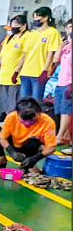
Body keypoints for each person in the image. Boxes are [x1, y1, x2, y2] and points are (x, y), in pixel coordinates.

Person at [0, 97, 56, 172]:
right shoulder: (11, 117)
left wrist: (35, 158)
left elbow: (51, 147)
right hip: (14, 143)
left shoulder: (47, 122)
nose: (28, 122)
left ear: (38, 113)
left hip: (31, 147)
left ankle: (31, 165)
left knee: (33, 142)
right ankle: (1, 158)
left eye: (32, 119)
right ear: (17, 114)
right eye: (24, 119)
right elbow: (2, 138)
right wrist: (11, 151)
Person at [15, 6, 61, 102]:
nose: (35, 20)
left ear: (45, 18)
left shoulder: (53, 33)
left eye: (37, 17)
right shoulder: (32, 34)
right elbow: (24, 55)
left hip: (39, 74)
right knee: (23, 102)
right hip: (25, 73)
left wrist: (45, 71)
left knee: (36, 103)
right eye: (34, 18)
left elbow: (51, 54)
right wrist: (16, 71)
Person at [0, 15, 28, 118]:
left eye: (17, 24)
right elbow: (1, 56)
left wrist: (17, 71)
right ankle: (7, 123)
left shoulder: (26, 36)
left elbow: (24, 56)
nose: (14, 26)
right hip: (4, 75)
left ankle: (14, 123)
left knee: (14, 104)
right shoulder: (9, 38)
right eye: (12, 24)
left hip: (15, 76)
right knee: (5, 104)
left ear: (24, 25)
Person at [52, 19, 71, 152]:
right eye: (69, 27)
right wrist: (60, 47)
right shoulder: (65, 45)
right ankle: (66, 136)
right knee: (59, 109)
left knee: (66, 110)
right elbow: (55, 60)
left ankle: (59, 136)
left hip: (69, 83)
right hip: (60, 82)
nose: (71, 30)